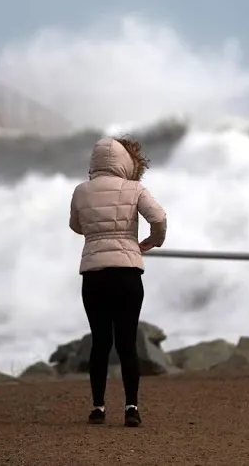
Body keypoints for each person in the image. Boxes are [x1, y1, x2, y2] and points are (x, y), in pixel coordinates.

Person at [69, 136, 168, 427]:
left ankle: (98, 408)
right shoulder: (134, 189)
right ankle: (131, 408)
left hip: (94, 274)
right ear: (125, 160)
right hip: (127, 274)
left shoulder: (81, 191)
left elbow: (76, 225)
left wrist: (97, 234)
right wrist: (152, 241)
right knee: (127, 342)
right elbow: (159, 217)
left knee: (100, 342)